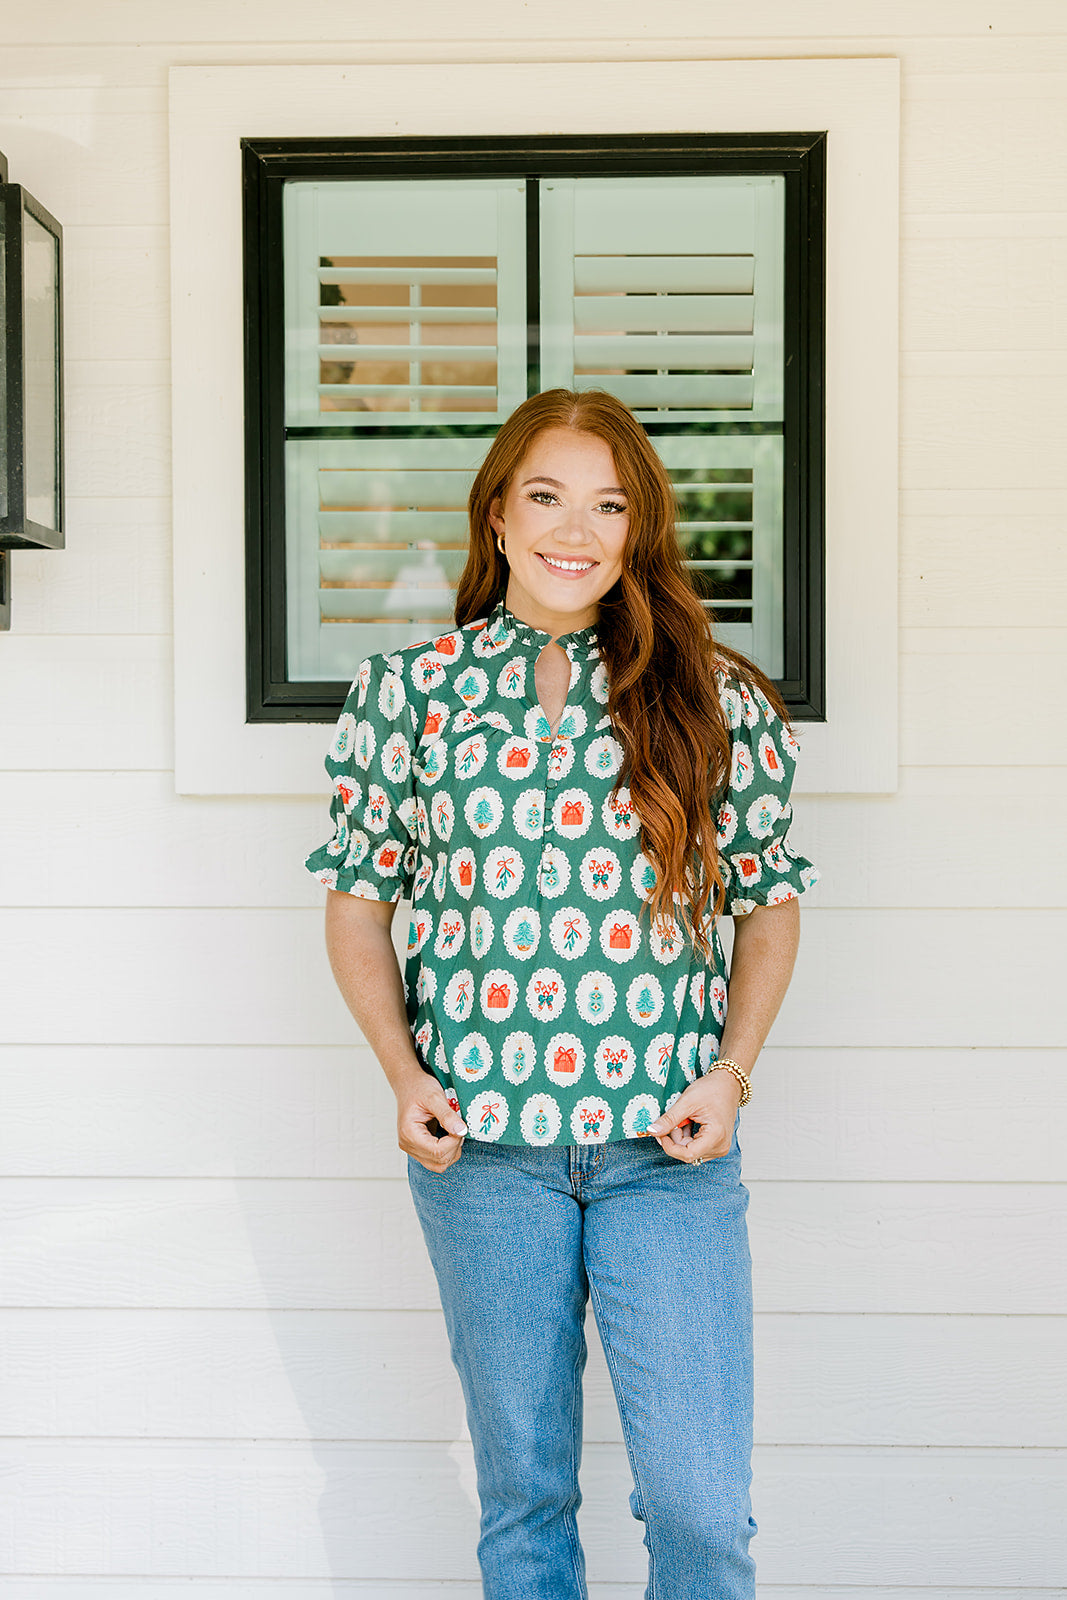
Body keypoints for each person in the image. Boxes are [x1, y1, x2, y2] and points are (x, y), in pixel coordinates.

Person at [305, 388, 819, 1599]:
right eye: (545, 495)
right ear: (496, 512)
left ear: (639, 530)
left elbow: (769, 900)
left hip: (665, 1149)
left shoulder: (711, 697)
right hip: (482, 1151)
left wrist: (731, 1072)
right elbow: (355, 900)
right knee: (524, 1498)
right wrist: (402, 1071)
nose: (573, 529)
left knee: (698, 1505)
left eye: (608, 503)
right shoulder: (409, 692)